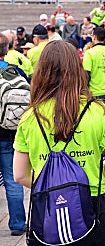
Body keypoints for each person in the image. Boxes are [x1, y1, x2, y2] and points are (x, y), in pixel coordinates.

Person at [13, 40, 105, 246]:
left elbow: (19, 174)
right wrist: (93, 174)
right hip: (91, 202)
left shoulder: (29, 117)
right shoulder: (99, 112)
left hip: (46, 205)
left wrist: (47, 183)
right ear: (78, 70)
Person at [0, 33, 27, 237]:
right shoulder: (15, 71)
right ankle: (18, 224)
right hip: (9, 134)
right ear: (7, 50)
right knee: (12, 180)